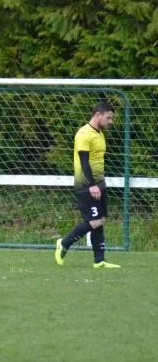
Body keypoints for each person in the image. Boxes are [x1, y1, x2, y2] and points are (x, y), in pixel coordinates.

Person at [55, 100, 120, 268]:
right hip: (86, 184)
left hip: (100, 183)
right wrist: (92, 185)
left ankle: (99, 261)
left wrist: (99, 184)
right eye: (108, 117)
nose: (110, 121)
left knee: (101, 219)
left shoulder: (99, 133)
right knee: (95, 221)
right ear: (98, 115)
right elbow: (84, 161)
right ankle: (64, 243)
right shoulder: (83, 133)